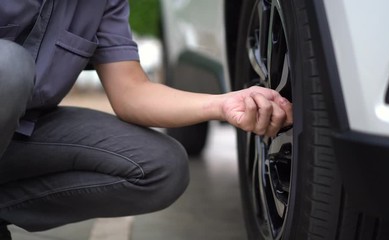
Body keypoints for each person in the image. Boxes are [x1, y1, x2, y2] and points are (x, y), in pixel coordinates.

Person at [0, 1, 292, 239]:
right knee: (9, 65)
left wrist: (224, 103)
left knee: (162, 166)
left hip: (19, 133)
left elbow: (131, 91)